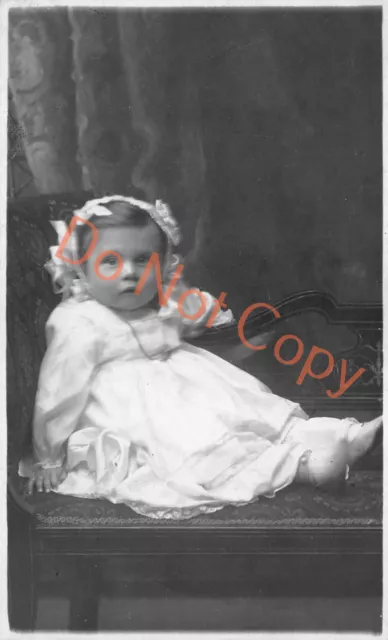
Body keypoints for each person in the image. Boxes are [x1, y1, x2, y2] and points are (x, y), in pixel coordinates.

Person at [19, 195, 382, 519]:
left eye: (143, 260)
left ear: (162, 266)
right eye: (110, 262)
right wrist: (49, 455)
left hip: (191, 385)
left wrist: (214, 317)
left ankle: (342, 436)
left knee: (252, 416)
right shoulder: (78, 321)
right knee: (202, 448)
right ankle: (310, 465)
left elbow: (206, 321)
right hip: (134, 410)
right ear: (81, 268)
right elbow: (59, 392)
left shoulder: (160, 303)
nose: (129, 273)